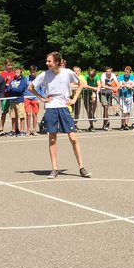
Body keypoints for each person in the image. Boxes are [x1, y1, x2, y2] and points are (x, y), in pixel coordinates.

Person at [26, 51, 91, 179]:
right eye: (47, 61)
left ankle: (81, 167)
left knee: (73, 138)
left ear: (57, 62)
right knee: (52, 139)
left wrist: (74, 99)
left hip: (64, 107)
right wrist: (42, 98)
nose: (47, 63)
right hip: (51, 107)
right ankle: (54, 169)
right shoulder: (44, 75)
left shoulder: (67, 72)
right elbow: (30, 87)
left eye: (49, 61)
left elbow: (81, 84)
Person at [4, 69, 29, 135]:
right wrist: (13, 89)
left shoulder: (23, 80)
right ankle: (14, 130)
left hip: (19, 101)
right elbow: (8, 89)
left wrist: (12, 89)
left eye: (17, 72)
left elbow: (20, 90)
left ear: (20, 73)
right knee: (13, 116)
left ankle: (22, 130)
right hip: (12, 101)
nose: (16, 73)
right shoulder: (12, 80)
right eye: (15, 72)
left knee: (21, 116)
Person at [24, 66, 41, 135]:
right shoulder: (26, 78)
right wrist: (24, 97)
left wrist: (40, 98)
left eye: (34, 72)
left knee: (34, 114)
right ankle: (28, 130)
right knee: (28, 114)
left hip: (36, 98)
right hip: (27, 98)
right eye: (32, 72)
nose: (33, 74)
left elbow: (42, 88)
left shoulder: (39, 78)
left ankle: (34, 130)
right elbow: (24, 88)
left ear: (36, 71)